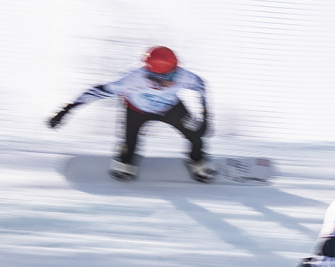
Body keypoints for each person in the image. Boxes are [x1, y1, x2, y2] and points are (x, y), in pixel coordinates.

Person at [47, 46, 215, 182]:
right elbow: (96, 92)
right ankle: (125, 158)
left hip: (172, 109)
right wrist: (67, 110)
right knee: (131, 143)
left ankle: (196, 160)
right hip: (137, 111)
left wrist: (206, 116)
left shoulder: (183, 76)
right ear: (152, 76)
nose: (173, 79)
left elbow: (201, 86)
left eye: (174, 72)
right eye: (167, 76)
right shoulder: (131, 80)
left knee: (196, 135)